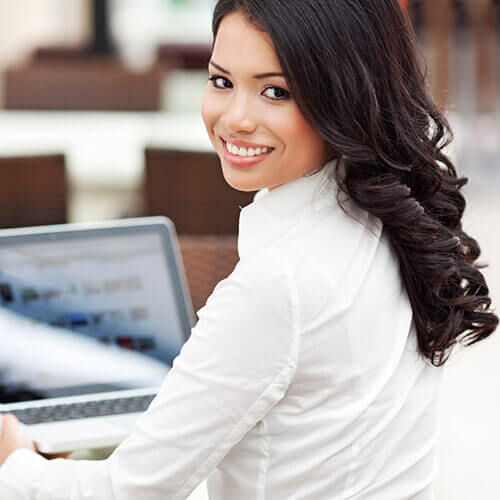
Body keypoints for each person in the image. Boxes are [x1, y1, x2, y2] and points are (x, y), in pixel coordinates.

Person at [0, 0, 497, 498]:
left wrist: (14, 461)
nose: (235, 118)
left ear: (344, 96)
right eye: (221, 81)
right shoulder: (383, 217)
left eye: (275, 91)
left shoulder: (279, 283)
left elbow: (127, 491)